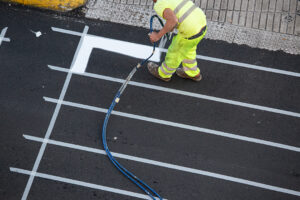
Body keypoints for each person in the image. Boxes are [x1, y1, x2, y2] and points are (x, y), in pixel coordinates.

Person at [148, 0, 207, 82]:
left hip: (190, 31)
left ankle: (164, 74)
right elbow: (177, 15)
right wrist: (170, 27)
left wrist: (157, 36)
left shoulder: (159, 4)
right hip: (201, 24)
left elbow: (173, 20)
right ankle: (192, 72)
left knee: (175, 53)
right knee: (188, 49)